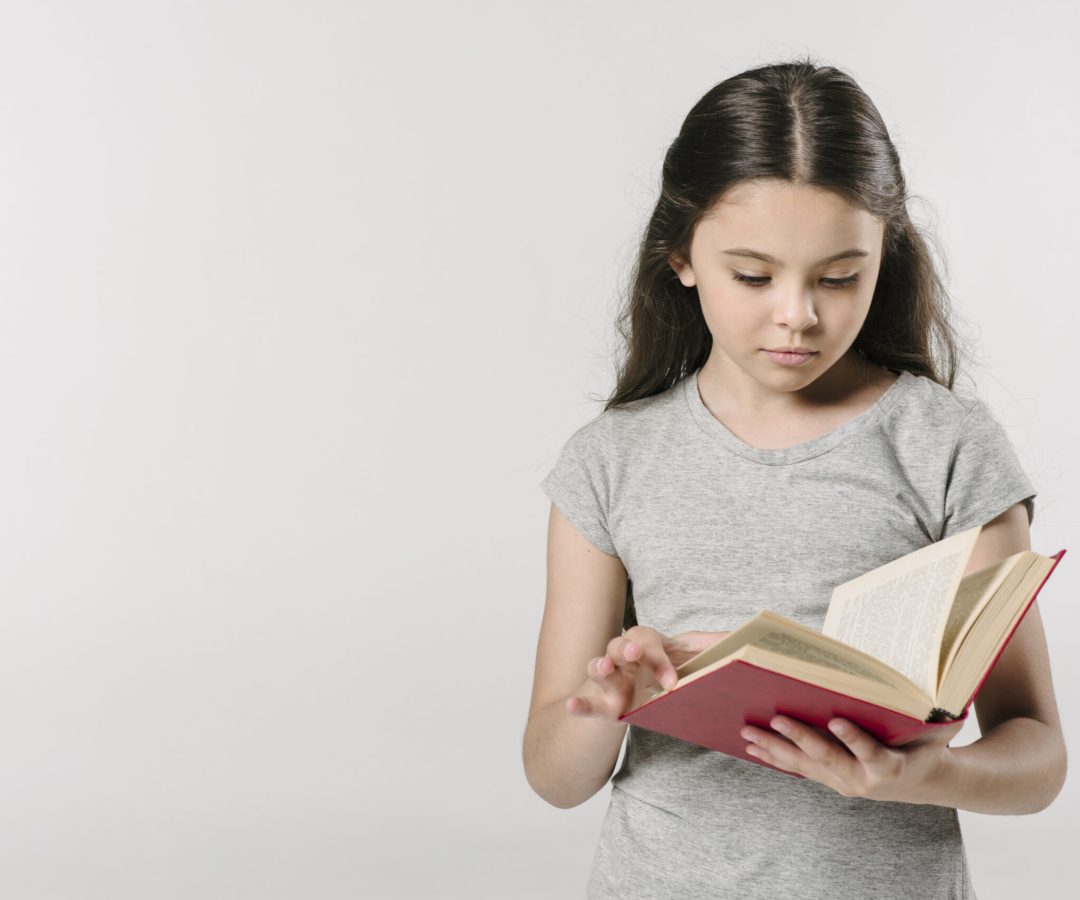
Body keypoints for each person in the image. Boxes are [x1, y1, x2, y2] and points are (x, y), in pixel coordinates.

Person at [521, 58, 1066, 899]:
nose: (797, 315)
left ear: (887, 255)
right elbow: (553, 777)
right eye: (753, 275)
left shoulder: (945, 445)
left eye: (840, 277)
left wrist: (916, 776)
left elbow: (1037, 758)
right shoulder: (610, 460)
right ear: (681, 256)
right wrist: (612, 703)